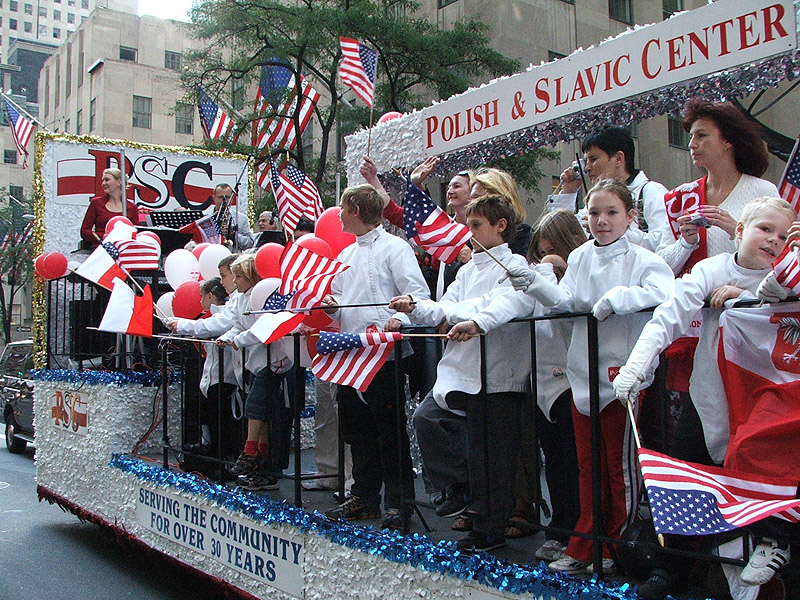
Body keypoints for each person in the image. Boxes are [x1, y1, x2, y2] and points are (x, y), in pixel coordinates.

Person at [613, 197, 797, 595]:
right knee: (685, 480)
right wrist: (637, 365)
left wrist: (746, 296)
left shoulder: (791, 274)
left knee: (764, 486)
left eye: (784, 236)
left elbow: (777, 293)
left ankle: (764, 573)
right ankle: (672, 567)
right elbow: (670, 314)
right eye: (765, 229)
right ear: (741, 230)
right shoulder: (711, 269)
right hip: (712, 398)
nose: (774, 241)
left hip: (770, 404)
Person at [505, 179, 674, 574]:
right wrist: (536, 286)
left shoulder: (644, 258)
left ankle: (618, 544)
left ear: (630, 216)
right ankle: (587, 544)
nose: (602, 221)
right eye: (595, 213)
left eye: (612, 212)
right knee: (588, 465)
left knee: (620, 468)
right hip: (582, 376)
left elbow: (667, 293)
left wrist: (620, 299)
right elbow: (568, 302)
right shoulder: (580, 256)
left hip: (622, 378)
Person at [392, 194, 550, 552]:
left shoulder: (517, 267)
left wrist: (476, 320)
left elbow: (508, 304)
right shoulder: (465, 271)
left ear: (500, 226)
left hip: (499, 374)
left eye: (476, 225)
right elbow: (446, 307)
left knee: (495, 455)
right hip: (462, 372)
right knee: (427, 418)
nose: (469, 231)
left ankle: (489, 526)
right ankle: (461, 489)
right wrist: (416, 307)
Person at [321, 183, 430, 532]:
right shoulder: (346, 255)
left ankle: (398, 503)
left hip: (385, 351)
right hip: (352, 352)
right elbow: (340, 301)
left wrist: (402, 317)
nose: (337, 214)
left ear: (355, 210)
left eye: (341, 207)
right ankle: (364, 497)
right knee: (356, 428)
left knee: (390, 429)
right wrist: (333, 308)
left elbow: (418, 293)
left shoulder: (396, 248)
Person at [509, 209, 584, 557]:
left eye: (552, 250)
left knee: (575, 459)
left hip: (571, 379)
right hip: (541, 380)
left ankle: (580, 531)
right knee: (553, 458)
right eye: (540, 252)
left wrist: (556, 273)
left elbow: (564, 307)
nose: (544, 259)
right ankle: (559, 527)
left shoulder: (579, 275)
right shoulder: (535, 279)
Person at [216, 254, 292, 492]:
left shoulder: (263, 295)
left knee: (256, 407)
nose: (235, 281)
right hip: (256, 362)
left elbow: (263, 326)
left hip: (274, 361)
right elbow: (239, 325)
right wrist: (227, 337)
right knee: (262, 413)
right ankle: (261, 464)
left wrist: (239, 339)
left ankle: (251, 453)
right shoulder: (241, 299)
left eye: (238, 276)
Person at [552, 127, 669, 252]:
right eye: (594, 213)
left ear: (619, 159)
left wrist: (615, 232)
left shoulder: (651, 192)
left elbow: (664, 243)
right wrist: (568, 193)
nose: (587, 168)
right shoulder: (595, 200)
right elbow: (559, 237)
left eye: (593, 159)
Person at [470, 167, 532, 257]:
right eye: (471, 200)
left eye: (479, 199)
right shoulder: (470, 242)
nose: (472, 206)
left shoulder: (526, 241)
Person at [80, 168, 140, 248]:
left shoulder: (132, 207)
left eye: (107, 180)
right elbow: (84, 231)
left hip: (124, 251)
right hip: (101, 250)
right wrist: (102, 236)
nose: (103, 183)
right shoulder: (96, 203)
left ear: (118, 182)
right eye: (103, 180)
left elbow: (136, 234)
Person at [211, 183, 255, 250]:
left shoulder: (242, 218)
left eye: (227, 197)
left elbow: (250, 243)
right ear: (214, 198)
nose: (224, 201)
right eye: (220, 197)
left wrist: (234, 235)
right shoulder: (205, 216)